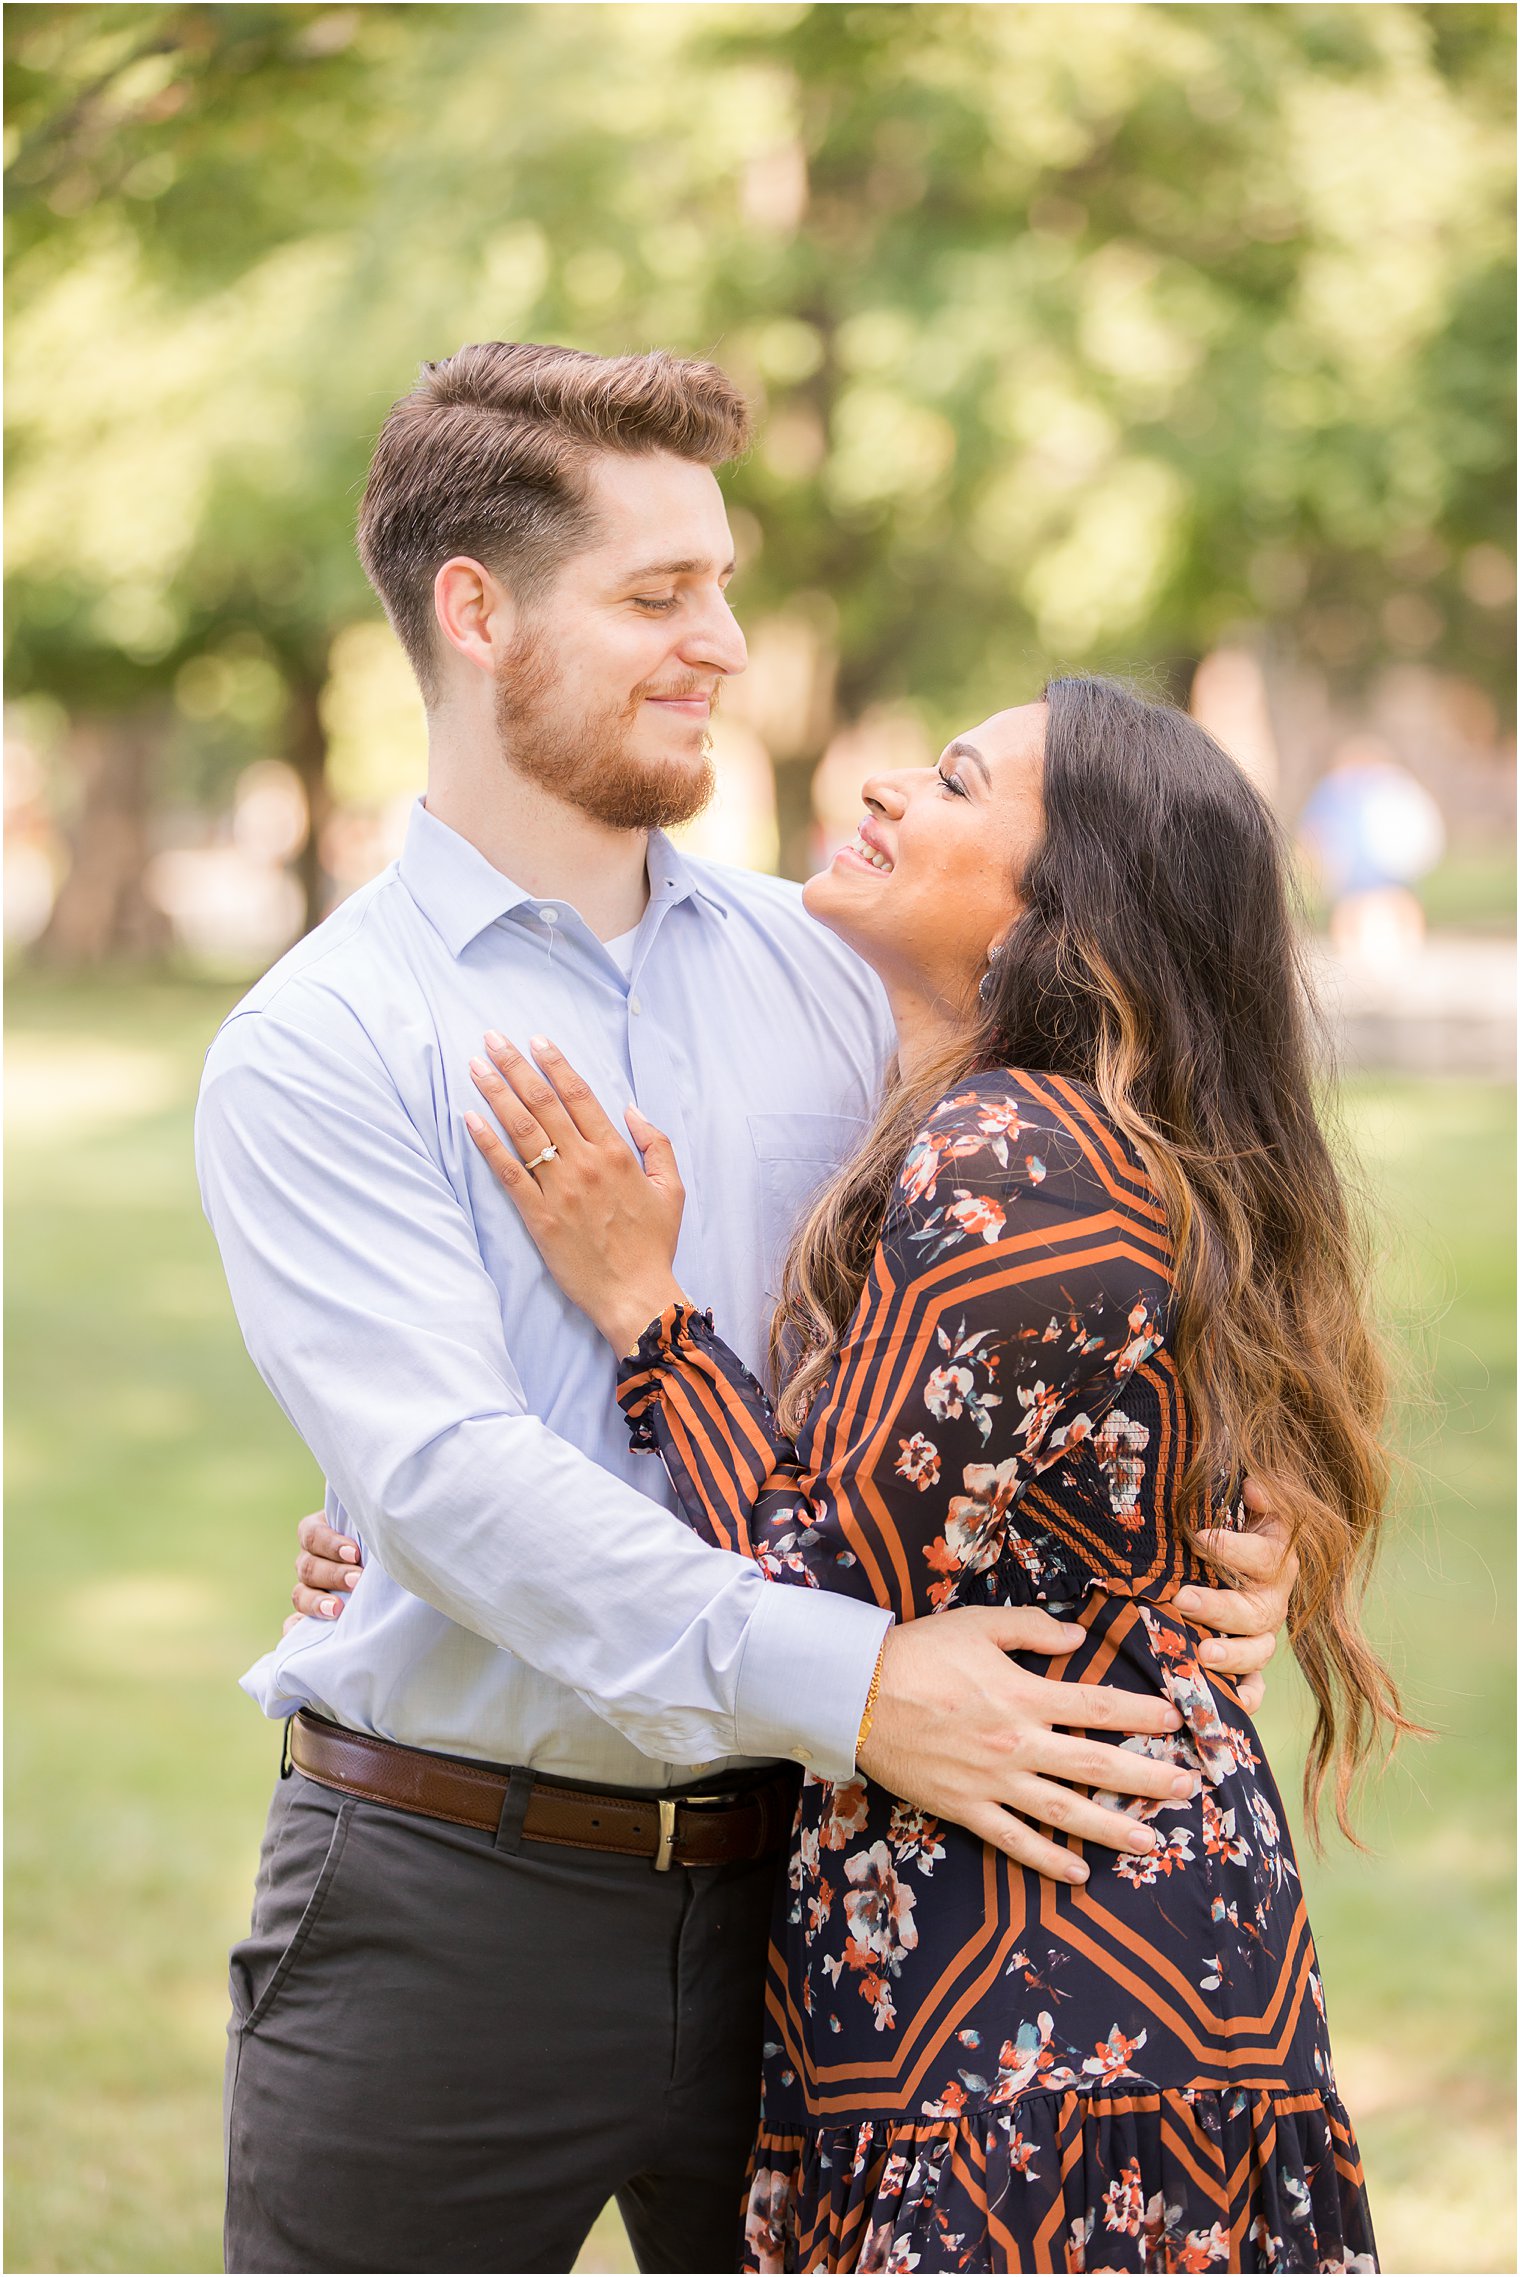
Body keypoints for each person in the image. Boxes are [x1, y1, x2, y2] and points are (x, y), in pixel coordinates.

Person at [197, 342, 1290, 2275]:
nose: (724, 642)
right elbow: (445, 1483)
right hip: (456, 1900)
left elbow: (1145, 1224)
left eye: (721, 583)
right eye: (656, 595)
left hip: (840, 1906)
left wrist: (1230, 1525)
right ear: (477, 613)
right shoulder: (322, 1039)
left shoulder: (844, 968)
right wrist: (861, 1684)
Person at [458, 677, 1400, 2272]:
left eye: (956, 782)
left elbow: (814, 1576)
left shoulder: (1020, 1151)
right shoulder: (1039, 1132)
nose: (889, 783)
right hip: (1046, 1958)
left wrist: (644, 1305)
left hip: (1044, 1990)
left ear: (1065, 923)